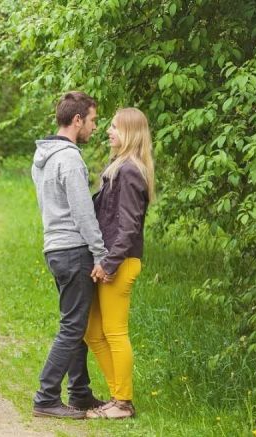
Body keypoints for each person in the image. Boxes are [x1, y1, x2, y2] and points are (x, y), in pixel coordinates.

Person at [31, 91, 110, 419]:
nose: (94, 127)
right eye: (92, 120)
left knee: (74, 324)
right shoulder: (69, 158)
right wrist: (101, 253)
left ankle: (79, 393)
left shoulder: (44, 157)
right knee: (71, 327)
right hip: (74, 251)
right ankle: (46, 396)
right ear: (77, 120)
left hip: (55, 248)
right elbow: (81, 212)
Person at [84, 107, 155, 419]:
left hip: (120, 263)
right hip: (113, 260)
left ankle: (122, 403)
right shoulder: (119, 166)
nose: (108, 131)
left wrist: (109, 263)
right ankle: (118, 396)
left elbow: (128, 227)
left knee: (114, 332)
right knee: (92, 332)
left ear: (129, 133)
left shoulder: (128, 171)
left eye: (114, 127)